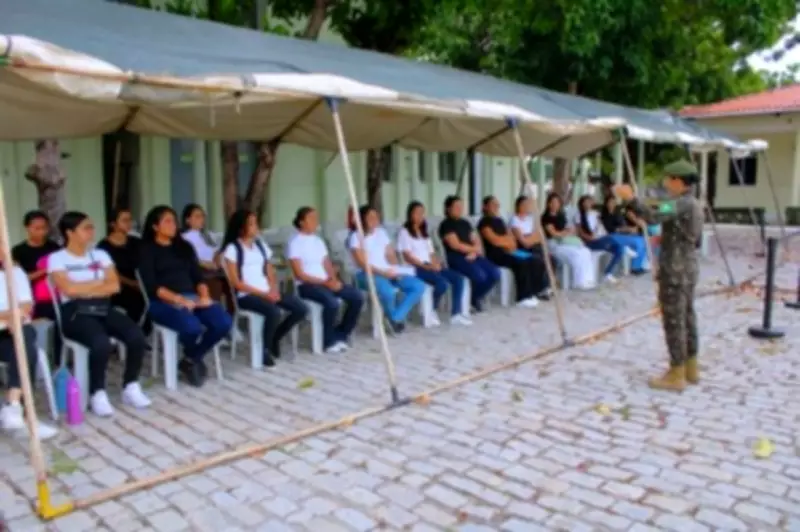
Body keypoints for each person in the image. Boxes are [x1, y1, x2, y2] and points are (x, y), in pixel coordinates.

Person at [48, 211, 150, 415]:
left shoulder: (100, 254)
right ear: (70, 232)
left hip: (103, 307)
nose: (91, 231)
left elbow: (114, 286)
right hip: (75, 311)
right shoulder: (57, 259)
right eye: (86, 228)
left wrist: (84, 286)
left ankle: (130, 385)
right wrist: (97, 283)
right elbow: (69, 290)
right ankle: (97, 392)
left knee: (136, 336)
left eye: (92, 227)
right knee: (100, 343)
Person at [614, 160, 704, 391]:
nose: (665, 182)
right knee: (687, 316)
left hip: (675, 269)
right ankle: (690, 366)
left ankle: (676, 374)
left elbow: (653, 215)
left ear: (677, 181)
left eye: (668, 178)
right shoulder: (692, 203)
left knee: (674, 319)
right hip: (687, 267)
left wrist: (630, 198)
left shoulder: (681, 204)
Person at [139, 205, 232, 387]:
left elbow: (198, 277)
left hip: (192, 297)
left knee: (223, 322)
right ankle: (193, 358)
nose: (173, 225)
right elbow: (152, 286)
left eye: (174, 220)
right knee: (192, 327)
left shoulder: (184, 247)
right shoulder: (146, 250)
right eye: (167, 221)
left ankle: (191, 358)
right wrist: (179, 300)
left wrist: (204, 296)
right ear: (155, 226)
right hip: (162, 301)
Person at [221, 209, 307, 365]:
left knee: (300, 308)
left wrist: (272, 289)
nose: (256, 227)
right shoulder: (233, 249)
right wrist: (263, 294)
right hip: (246, 296)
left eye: (255, 223)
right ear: (241, 227)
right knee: (273, 311)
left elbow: (270, 271)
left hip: (267, 291)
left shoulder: (260, 246)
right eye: (251, 224)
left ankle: (276, 336)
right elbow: (236, 282)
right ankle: (264, 350)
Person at [288, 207, 364, 352]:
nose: (315, 222)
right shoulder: (295, 243)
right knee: (332, 303)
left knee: (356, 297)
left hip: (325, 283)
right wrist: (325, 283)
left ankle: (341, 334)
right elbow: (300, 274)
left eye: (316, 218)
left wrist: (333, 279)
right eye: (311, 219)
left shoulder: (318, 241)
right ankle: (328, 341)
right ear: (301, 222)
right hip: (307, 285)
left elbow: (326, 263)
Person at [0, 261, 58, 439]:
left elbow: (26, 304)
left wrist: (16, 317)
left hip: (14, 332)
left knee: (26, 340)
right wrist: (11, 314)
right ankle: (22, 412)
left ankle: (15, 406)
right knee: (26, 347)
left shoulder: (16, 271)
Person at [348, 205, 426, 334]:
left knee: (418, 286)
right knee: (388, 291)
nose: (375, 220)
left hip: (387, 271)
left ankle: (395, 317)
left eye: (376, 217)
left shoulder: (381, 233)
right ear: (363, 219)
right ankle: (394, 319)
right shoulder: (356, 237)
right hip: (366, 274)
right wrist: (383, 273)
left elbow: (390, 255)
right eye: (371, 217)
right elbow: (363, 264)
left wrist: (395, 270)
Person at [398, 201, 471, 325]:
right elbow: (407, 256)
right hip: (416, 268)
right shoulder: (404, 232)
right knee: (442, 283)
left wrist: (435, 263)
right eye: (417, 213)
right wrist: (426, 266)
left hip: (429, 265)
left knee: (458, 279)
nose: (420, 216)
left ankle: (456, 314)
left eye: (422, 213)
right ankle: (432, 308)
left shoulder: (424, 232)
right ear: (410, 215)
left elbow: (431, 253)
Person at [477, 196, 545, 308]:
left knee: (535, 259)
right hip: (495, 254)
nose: (496, 207)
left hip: (510, 250)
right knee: (521, 262)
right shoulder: (484, 222)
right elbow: (494, 240)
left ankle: (532, 292)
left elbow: (512, 239)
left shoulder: (500, 221)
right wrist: (506, 241)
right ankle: (522, 297)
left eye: (497, 205)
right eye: (493, 205)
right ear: (485, 207)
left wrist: (506, 241)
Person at [438, 195, 499, 312]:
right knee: (479, 276)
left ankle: (474, 297)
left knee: (495, 273)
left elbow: (476, 240)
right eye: (456, 206)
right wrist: (474, 250)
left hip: (473, 255)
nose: (460, 209)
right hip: (456, 257)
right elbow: (455, 245)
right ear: (448, 209)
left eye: (461, 206)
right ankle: (472, 300)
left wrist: (475, 251)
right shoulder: (446, 225)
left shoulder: (465, 223)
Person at [97, 208, 150, 333]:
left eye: (130, 220)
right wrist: (132, 283)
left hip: (140, 282)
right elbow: (109, 272)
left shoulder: (137, 242)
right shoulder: (103, 247)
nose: (129, 223)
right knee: (137, 303)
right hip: (119, 286)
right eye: (124, 220)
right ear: (113, 224)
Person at [180, 203, 233, 313]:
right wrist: (208, 264)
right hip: (204, 272)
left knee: (230, 284)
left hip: (217, 268)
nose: (202, 219)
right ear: (187, 220)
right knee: (217, 284)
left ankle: (232, 314)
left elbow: (213, 252)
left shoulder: (204, 236)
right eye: (197, 216)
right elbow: (191, 259)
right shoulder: (184, 238)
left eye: (203, 216)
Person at [540, 192, 597, 290]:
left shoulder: (561, 216)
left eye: (557, 202)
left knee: (585, 252)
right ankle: (579, 281)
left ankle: (588, 279)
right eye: (553, 202)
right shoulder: (546, 218)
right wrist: (565, 233)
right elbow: (554, 234)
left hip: (565, 242)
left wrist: (567, 232)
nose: (555, 205)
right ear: (548, 204)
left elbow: (569, 229)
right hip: (554, 244)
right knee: (576, 254)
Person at [12, 210, 61, 321]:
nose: (41, 232)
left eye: (44, 228)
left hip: (55, 295)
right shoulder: (18, 251)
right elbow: (19, 278)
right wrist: (44, 271)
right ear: (27, 228)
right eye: (37, 228)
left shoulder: (54, 247)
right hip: (32, 298)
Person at [508, 195, 555, 300]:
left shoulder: (530, 219)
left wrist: (531, 238)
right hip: (522, 248)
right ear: (518, 206)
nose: (527, 206)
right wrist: (532, 238)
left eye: (528, 204)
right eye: (524, 204)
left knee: (551, 258)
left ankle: (546, 286)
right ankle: (539, 289)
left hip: (534, 246)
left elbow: (539, 236)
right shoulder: (514, 220)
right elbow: (524, 242)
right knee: (538, 260)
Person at [574, 195, 627, 284]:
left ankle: (608, 273)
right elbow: (580, 232)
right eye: (586, 202)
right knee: (613, 239)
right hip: (589, 242)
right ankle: (625, 246)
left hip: (601, 239)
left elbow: (600, 227)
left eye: (590, 201)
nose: (588, 203)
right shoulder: (579, 215)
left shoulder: (596, 213)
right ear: (582, 203)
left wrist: (601, 234)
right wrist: (590, 237)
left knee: (619, 249)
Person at [600, 195, 649, 274]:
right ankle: (635, 267)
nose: (612, 204)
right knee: (639, 242)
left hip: (625, 234)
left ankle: (637, 266)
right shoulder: (605, 216)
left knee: (642, 240)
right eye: (610, 202)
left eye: (614, 202)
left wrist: (630, 229)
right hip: (615, 236)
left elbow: (624, 224)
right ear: (606, 203)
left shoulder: (618, 213)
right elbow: (612, 229)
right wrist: (627, 229)